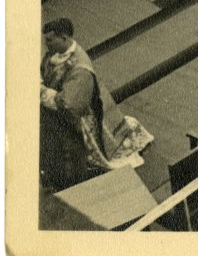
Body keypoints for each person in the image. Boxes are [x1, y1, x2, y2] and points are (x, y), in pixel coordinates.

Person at [41, 19, 151, 190]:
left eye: (49, 40)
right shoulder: (55, 53)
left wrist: (44, 92)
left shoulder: (80, 69)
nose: (46, 44)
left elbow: (71, 103)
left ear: (63, 38)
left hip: (78, 117)